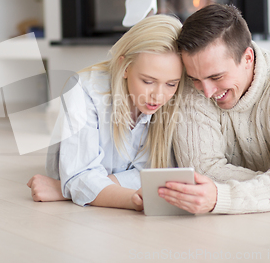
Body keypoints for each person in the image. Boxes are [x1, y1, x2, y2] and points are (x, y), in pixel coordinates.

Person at [159, 3, 270, 214]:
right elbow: (202, 170)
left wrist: (221, 196)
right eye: (196, 79)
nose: (206, 92)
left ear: (247, 58)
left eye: (216, 77)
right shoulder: (192, 86)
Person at [27, 14, 185, 210]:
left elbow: (154, 173)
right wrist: (131, 199)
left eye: (171, 84)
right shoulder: (83, 90)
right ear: (124, 66)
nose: (159, 96)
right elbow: (79, 176)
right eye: (148, 81)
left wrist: (68, 190)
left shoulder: (176, 99)